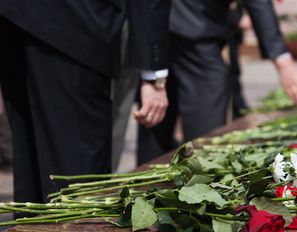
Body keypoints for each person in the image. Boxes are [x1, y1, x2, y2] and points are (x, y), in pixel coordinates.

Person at [0, 1, 170, 203]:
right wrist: (153, 76)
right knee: (78, 180)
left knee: (31, 167)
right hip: (76, 24)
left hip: (15, 15)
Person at [137, 0, 297, 165]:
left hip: (161, 22)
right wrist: (282, 60)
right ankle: (194, 188)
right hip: (191, 26)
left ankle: (145, 191)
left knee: (156, 115)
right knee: (202, 141)